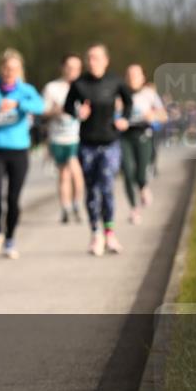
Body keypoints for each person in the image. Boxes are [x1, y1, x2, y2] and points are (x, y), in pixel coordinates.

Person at [0, 49, 45, 259]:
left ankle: (10, 238)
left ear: (19, 70)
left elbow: (41, 107)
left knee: (13, 199)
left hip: (18, 151)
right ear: (0, 68)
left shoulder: (26, 90)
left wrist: (18, 104)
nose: (9, 72)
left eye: (13, 69)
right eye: (6, 68)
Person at [64, 44, 132, 256]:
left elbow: (128, 102)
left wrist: (124, 119)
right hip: (87, 144)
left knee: (107, 186)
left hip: (110, 142)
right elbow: (68, 106)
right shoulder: (79, 83)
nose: (93, 62)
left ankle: (110, 233)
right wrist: (78, 112)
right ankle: (95, 233)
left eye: (97, 58)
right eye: (90, 58)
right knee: (92, 190)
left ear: (106, 60)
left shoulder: (115, 81)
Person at [42, 54, 85, 224]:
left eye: (77, 68)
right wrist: (57, 111)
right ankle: (66, 207)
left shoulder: (84, 86)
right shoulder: (52, 88)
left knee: (75, 169)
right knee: (64, 174)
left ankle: (77, 203)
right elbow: (42, 112)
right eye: (69, 67)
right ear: (63, 68)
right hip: (58, 136)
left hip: (78, 136)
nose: (73, 71)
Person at [122, 65, 167, 224]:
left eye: (135, 75)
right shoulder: (120, 93)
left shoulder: (149, 94)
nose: (132, 78)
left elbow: (163, 116)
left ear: (142, 77)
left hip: (143, 135)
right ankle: (134, 209)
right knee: (127, 173)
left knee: (141, 173)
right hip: (124, 136)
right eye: (129, 75)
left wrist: (152, 115)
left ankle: (143, 187)